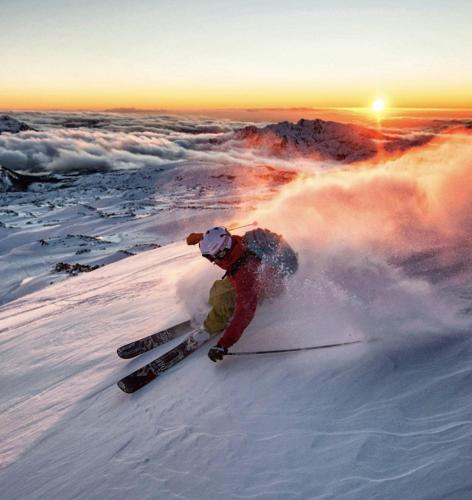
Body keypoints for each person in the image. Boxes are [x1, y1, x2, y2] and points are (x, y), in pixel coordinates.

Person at [186, 226, 297, 362]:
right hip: (265, 272)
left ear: (221, 253)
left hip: (270, 286)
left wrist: (223, 344)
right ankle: (219, 310)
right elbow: (217, 238)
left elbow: (245, 312)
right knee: (218, 289)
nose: (213, 261)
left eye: (211, 257)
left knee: (223, 299)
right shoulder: (236, 243)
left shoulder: (244, 273)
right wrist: (200, 237)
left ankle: (211, 327)